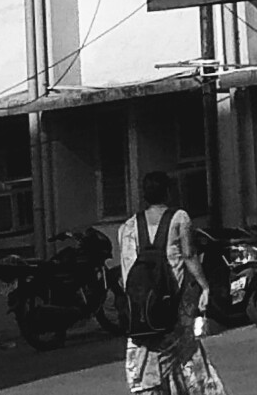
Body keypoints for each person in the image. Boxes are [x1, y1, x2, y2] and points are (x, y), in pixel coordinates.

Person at [108, 169, 216, 395]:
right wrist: (205, 286)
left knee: (149, 363)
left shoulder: (127, 227)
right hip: (173, 304)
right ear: (168, 192)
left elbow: (128, 272)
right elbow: (189, 256)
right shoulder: (179, 218)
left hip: (141, 310)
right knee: (188, 357)